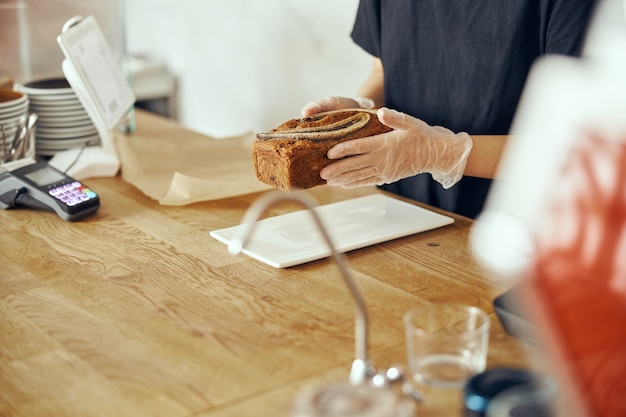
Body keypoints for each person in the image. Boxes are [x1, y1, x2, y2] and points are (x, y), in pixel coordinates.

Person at [301, 0, 596, 219]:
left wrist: (439, 153)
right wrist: (359, 114)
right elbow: (383, 72)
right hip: (400, 213)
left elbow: (577, 151)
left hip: (509, 231)